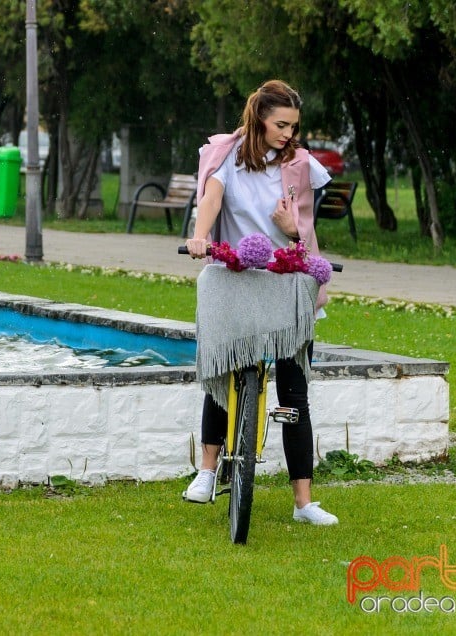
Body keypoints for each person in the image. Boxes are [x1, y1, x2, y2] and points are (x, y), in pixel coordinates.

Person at [181, 79, 338, 526]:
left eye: (293, 126)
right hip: (235, 276)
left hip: (285, 278)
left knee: (293, 390)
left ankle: (304, 503)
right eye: (281, 125)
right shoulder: (226, 155)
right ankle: (208, 472)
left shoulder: (299, 164)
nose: (289, 134)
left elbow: (303, 233)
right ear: (259, 119)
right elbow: (212, 197)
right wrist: (200, 236)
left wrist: (291, 229)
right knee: (222, 365)